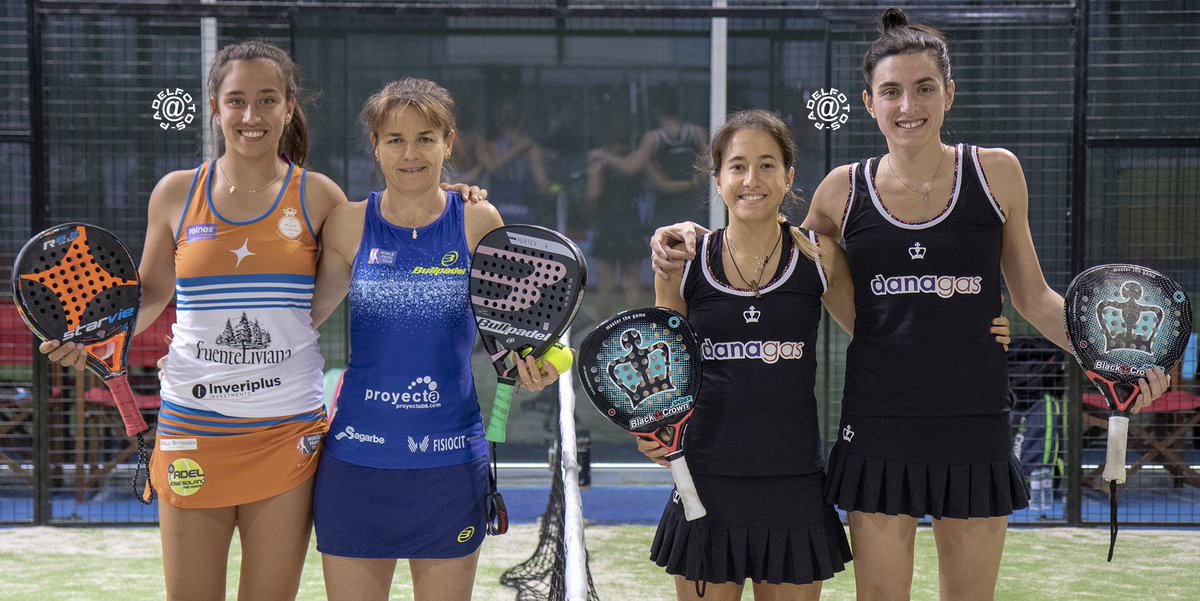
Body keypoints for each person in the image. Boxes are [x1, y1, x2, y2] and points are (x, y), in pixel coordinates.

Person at [650, 9, 1170, 601]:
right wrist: (686, 238)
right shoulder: (840, 191)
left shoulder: (997, 173)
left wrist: (1113, 361)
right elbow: (777, 251)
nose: (908, 105)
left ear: (949, 93)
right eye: (891, 92)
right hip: (877, 424)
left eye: (924, 88)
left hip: (972, 421)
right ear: (869, 103)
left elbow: (1034, 298)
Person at [38, 42, 489, 601]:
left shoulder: (322, 198)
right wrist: (97, 336)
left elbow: (383, 232)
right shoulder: (176, 193)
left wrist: (453, 193)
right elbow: (150, 292)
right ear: (215, 107)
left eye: (267, 100)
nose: (251, 116)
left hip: (286, 433)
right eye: (237, 101)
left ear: (289, 108)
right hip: (191, 428)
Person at [308, 77, 560, 601]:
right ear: (374, 147)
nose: (410, 153)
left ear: (449, 143)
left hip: (448, 465)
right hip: (356, 466)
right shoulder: (347, 226)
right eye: (394, 139)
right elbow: (299, 320)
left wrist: (543, 365)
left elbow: (520, 331)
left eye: (426, 137)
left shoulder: (478, 220)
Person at [640, 109, 855, 601]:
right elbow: (662, 368)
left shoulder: (819, 256)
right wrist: (652, 434)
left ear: (789, 177)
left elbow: (878, 339)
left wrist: (972, 332)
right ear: (717, 180)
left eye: (766, 165)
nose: (751, 179)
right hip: (705, 482)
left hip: (794, 482)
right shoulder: (681, 260)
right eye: (737, 166)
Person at [589, 84, 708, 227]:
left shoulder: (653, 138)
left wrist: (602, 155)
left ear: (655, 109)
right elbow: (704, 173)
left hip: (667, 213)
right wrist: (692, 184)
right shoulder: (698, 132)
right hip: (693, 209)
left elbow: (630, 167)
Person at [586, 114, 650, 317]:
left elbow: (594, 195)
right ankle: (634, 331)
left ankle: (601, 334)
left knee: (606, 286)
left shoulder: (600, 161)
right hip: (631, 221)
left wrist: (589, 213)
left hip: (608, 223)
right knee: (633, 284)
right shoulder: (638, 158)